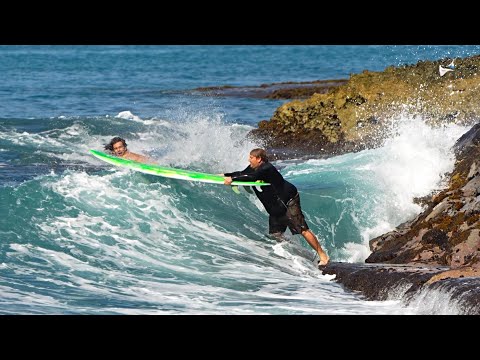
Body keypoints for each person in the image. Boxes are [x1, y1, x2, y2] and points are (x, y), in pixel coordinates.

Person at [223, 148, 329, 268]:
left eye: (251, 157)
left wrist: (232, 180)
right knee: (276, 234)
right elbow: (244, 174)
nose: (249, 159)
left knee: (302, 229)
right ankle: (298, 252)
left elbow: (252, 177)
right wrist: (226, 175)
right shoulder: (255, 167)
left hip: (288, 201)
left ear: (259, 159)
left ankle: (323, 255)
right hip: (276, 206)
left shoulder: (267, 168)